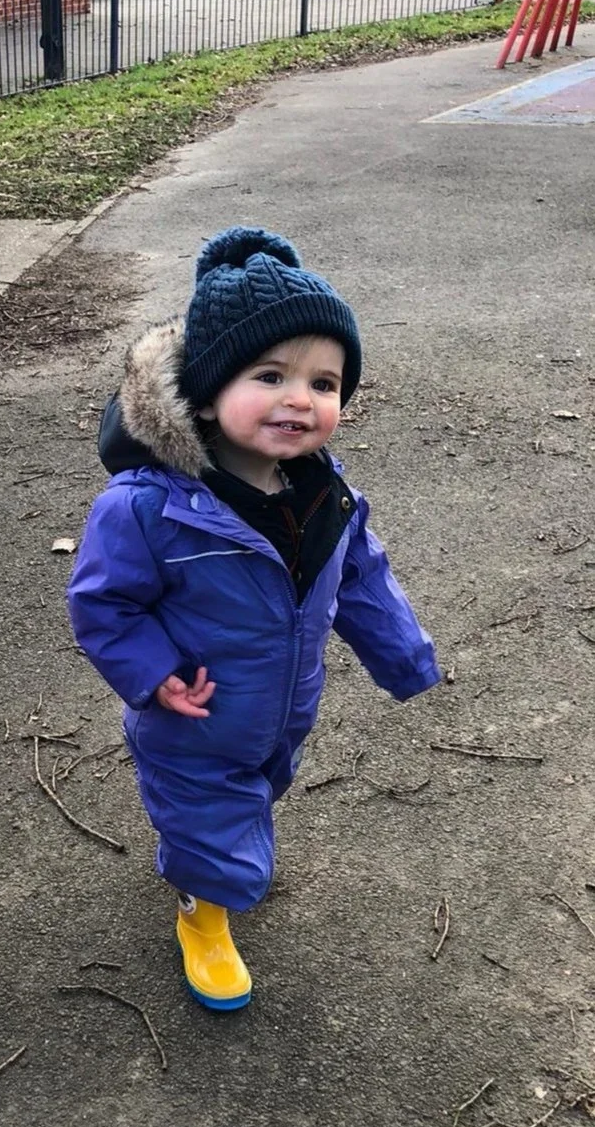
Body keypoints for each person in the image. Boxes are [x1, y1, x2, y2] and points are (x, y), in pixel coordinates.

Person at [68, 226, 440, 1012]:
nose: (301, 399)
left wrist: (404, 655)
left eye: (325, 383)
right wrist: (154, 675)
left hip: (282, 706)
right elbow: (104, 602)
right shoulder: (148, 508)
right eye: (270, 375)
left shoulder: (320, 492)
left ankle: (226, 861)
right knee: (209, 820)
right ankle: (202, 912)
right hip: (193, 712)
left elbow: (362, 577)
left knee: (262, 786)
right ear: (207, 390)